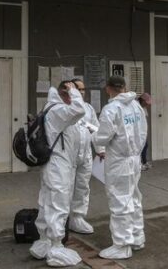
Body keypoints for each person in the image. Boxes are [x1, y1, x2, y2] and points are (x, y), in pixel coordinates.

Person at [30, 81, 86, 267]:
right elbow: (79, 110)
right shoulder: (58, 110)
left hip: (53, 164)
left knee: (47, 202)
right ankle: (55, 246)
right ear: (66, 93)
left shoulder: (50, 108)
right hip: (58, 165)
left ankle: (43, 242)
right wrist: (73, 92)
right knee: (58, 204)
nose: (78, 95)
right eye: (75, 92)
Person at [92, 76, 147, 260]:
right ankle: (137, 237)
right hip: (134, 159)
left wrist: (93, 134)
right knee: (134, 198)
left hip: (119, 161)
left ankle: (122, 245)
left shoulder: (111, 109)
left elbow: (102, 138)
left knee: (120, 201)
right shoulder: (136, 106)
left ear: (108, 89)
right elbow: (143, 132)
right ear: (124, 87)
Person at [69, 78, 104, 234]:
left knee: (82, 186)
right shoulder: (63, 107)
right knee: (64, 187)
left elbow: (96, 129)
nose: (82, 92)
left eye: (83, 89)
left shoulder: (88, 108)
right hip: (67, 155)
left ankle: (77, 217)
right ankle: (61, 217)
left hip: (86, 154)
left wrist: (100, 149)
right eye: (79, 89)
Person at [138, 93, 152, 171]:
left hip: (143, 131)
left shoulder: (144, 108)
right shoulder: (136, 107)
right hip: (137, 132)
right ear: (142, 100)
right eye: (146, 102)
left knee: (145, 146)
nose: (147, 104)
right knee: (139, 148)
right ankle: (139, 164)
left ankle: (144, 162)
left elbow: (145, 120)